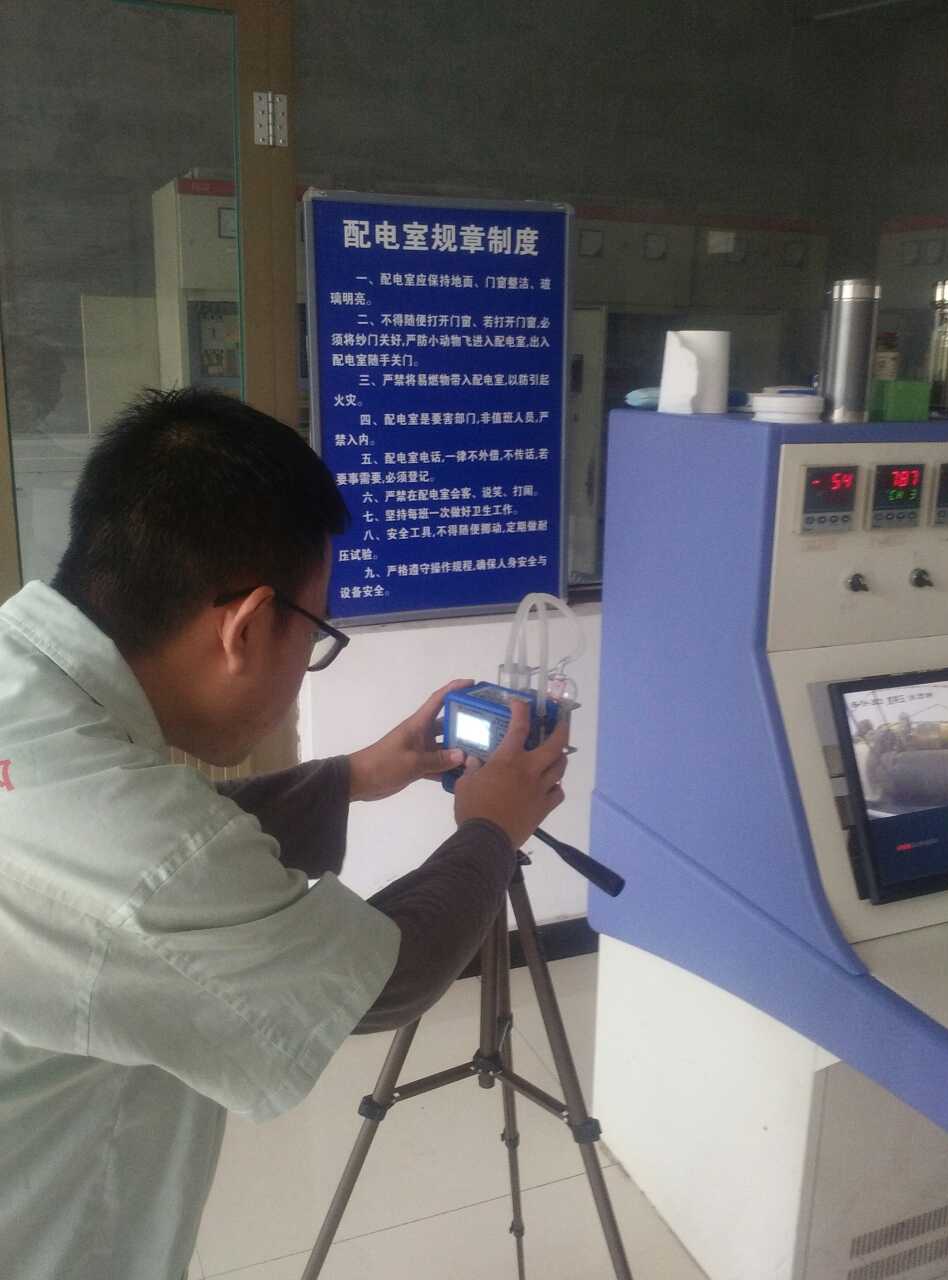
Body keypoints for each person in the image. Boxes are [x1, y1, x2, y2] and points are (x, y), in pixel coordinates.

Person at [0, 387, 568, 1280]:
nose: (308, 664)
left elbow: (155, 850)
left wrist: (352, 776)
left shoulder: (29, 696)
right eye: (316, 635)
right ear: (246, 625)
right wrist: (491, 829)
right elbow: (382, 980)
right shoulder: (144, 857)